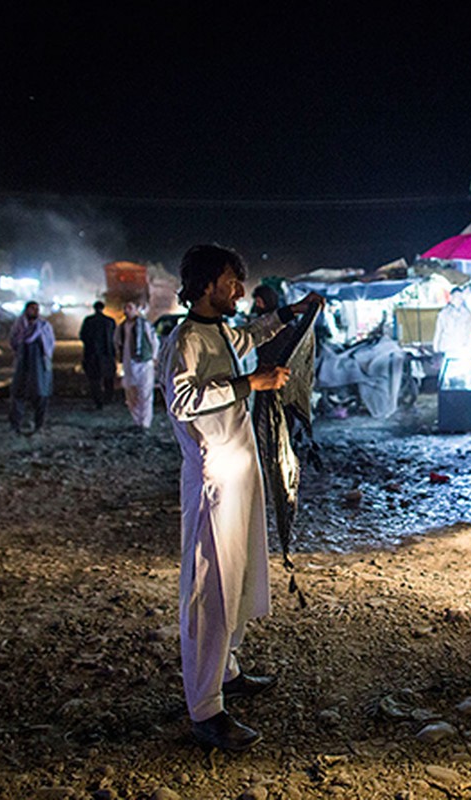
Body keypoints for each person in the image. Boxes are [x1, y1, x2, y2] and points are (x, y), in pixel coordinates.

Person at [160, 243, 322, 751]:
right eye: (231, 282)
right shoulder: (185, 338)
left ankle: (226, 671)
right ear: (207, 285)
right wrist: (249, 382)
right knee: (212, 588)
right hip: (213, 480)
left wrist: (287, 317)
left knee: (240, 575)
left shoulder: (216, 332)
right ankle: (205, 710)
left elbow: (248, 335)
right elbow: (183, 399)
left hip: (238, 474)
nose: (239, 290)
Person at [9, 301, 55, 434]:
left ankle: (39, 424)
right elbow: (13, 341)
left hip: (40, 364)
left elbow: (50, 344)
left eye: (36, 309)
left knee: (41, 394)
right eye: (32, 309)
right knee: (18, 393)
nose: (34, 311)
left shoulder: (44, 326)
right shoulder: (19, 325)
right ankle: (15, 425)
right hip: (23, 363)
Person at [114, 300, 159, 429]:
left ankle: (145, 422)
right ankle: (137, 421)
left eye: (130, 308)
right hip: (129, 363)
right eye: (126, 308)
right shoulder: (122, 327)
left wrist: (154, 357)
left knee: (145, 393)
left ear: (135, 310)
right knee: (131, 392)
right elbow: (117, 343)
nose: (127, 310)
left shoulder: (144, 325)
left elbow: (154, 341)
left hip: (144, 363)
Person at [79, 300, 117, 409]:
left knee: (94, 379)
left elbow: (83, 336)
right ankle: (108, 398)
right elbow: (114, 338)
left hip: (92, 355)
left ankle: (98, 400)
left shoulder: (88, 321)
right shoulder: (109, 322)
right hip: (107, 354)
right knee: (108, 378)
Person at [432, 287, 471, 359]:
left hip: (462, 349)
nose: (458, 299)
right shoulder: (443, 314)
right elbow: (439, 331)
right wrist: (436, 348)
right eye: (456, 296)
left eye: (460, 297)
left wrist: (470, 347)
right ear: (451, 297)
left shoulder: (467, 314)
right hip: (447, 348)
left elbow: (470, 332)